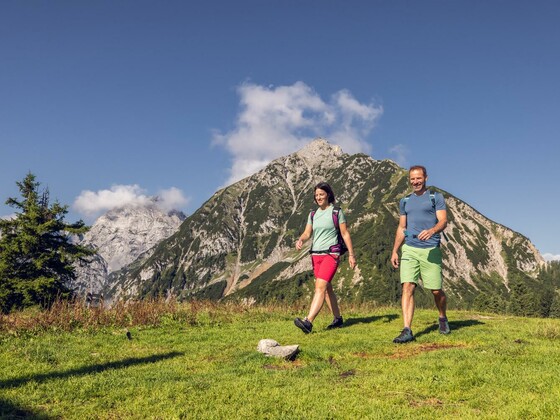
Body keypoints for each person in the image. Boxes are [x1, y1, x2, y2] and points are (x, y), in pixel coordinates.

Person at [390, 165, 450, 343]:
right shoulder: (405, 201)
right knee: (407, 287)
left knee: (436, 290)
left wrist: (432, 231)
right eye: (412, 179)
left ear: (425, 178)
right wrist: (395, 250)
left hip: (430, 249)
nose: (415, 182)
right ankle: (407, 329)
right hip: (409, 247)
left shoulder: (435, 197)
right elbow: (402, 227)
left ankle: (442, 316)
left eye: (418, 178)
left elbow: (443, 221)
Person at [294, 182, 356, 334]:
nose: (319, 197)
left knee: (319, 287)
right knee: (327, 289)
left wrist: (351, 254)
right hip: (316, 255)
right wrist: (301, 239)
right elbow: (307, 233)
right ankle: (337, 319)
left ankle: (308, 321)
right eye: (316, 195)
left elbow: (345, 233)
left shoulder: (336, 211)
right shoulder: (313, 214)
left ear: (328, 194)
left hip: (331, 254)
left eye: (321, 194)